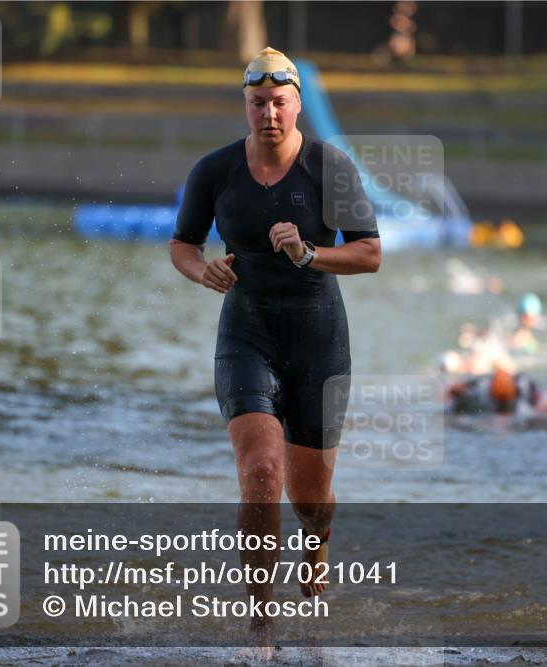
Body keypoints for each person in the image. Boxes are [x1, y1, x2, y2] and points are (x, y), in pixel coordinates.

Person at [168, 47, 381, 654]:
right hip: (246, 336)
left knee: (310, 501)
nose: (269, 113)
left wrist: (310, 253)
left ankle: (318, 542)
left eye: (280, 102)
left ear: (297, 105)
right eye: (258, 102)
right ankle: (261, 628)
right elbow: (181, 244)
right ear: (246, 104)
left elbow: (369, 253)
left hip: (318, 341)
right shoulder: (215, 170)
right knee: (260, 473)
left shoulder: (328, 166)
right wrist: (200, 271)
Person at [447, 367, 547, 416]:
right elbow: (452, 389)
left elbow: (544, 405)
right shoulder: (481, 387)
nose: (502, 404)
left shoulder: (527, 389)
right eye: (501, 402)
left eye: (504, 403)